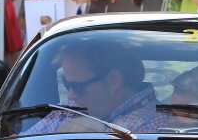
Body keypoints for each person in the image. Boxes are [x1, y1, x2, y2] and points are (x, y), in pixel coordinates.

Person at [25, 42, 160, 134]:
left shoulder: (158, 124)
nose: (71, 95)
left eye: (77, 86)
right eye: (67, 84)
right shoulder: (68, 110)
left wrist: (104, 133)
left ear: (114, 80)